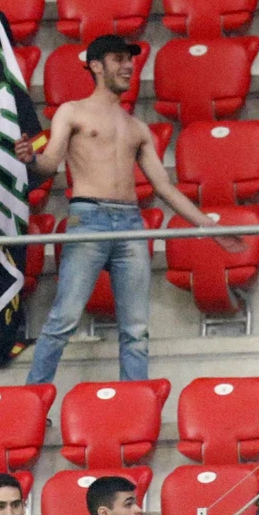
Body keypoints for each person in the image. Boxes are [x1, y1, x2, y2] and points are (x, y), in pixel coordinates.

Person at [21, 34, 241, 385]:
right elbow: (49, 163)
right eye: (118, 59)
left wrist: (210, 228)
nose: (128, 66)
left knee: (136, 329)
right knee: (62, 319)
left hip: (131, 222)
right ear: (96, 65)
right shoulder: (72, 110)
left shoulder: (137, 127)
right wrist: (31, 158)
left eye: (130, 60)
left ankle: (134, 402)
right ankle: (31, 400)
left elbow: (164, 187)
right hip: (88, 218)